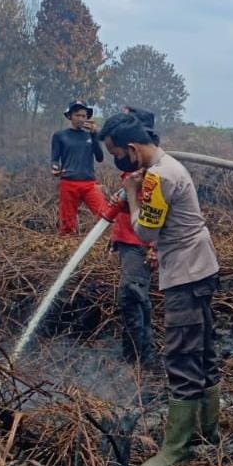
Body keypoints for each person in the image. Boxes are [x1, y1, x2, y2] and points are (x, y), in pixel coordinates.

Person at [99, 112, 221, 466]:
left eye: (116, 153)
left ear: (132, 148)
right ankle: (207, 431)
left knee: (182, 356)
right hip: (200, 267)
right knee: (203, 349)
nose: (116, 160)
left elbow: (145, 232)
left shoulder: (158, 177)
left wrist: (133, 194)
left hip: (186, 275)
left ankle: (178, 448)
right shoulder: (166, 166)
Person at [102, 106, 157, 365]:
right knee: (133, 296)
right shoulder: (135, 168)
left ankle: (139, 361)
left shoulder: (154, 170)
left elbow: (155, 211)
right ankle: (137, 355)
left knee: (132, 295)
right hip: (128, 239)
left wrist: (155, 246)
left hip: (140, 242)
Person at [50, 100, 107, 234]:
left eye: (83, 116)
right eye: (77, 115)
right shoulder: (60, 136)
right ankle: (67, 249)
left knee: (104, 215)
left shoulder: (90, 135)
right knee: (67, 224)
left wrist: (94, 135)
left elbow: (99, 157)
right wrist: (55, 168)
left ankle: (108, 246)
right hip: (68, 182)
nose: (81, 118)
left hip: (89, 183)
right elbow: (54, 159)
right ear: (70, 116)